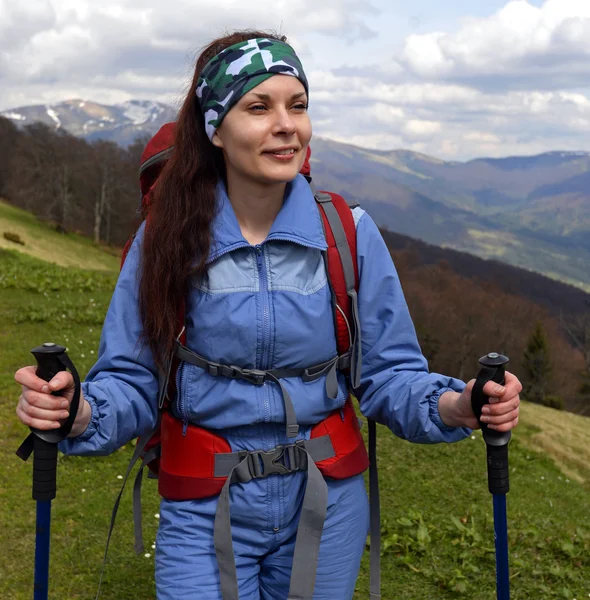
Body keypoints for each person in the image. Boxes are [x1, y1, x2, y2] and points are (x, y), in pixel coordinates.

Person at [14, 30, 522, 600]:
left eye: (297, 106)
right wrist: (77, 412)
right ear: (215, 130)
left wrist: (456, 405)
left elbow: (388, 375)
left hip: (326, 504)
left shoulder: (347, 234)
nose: (287, 125)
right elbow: (133, 381)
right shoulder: (165, 241)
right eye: (259, 107)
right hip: (203, 503)